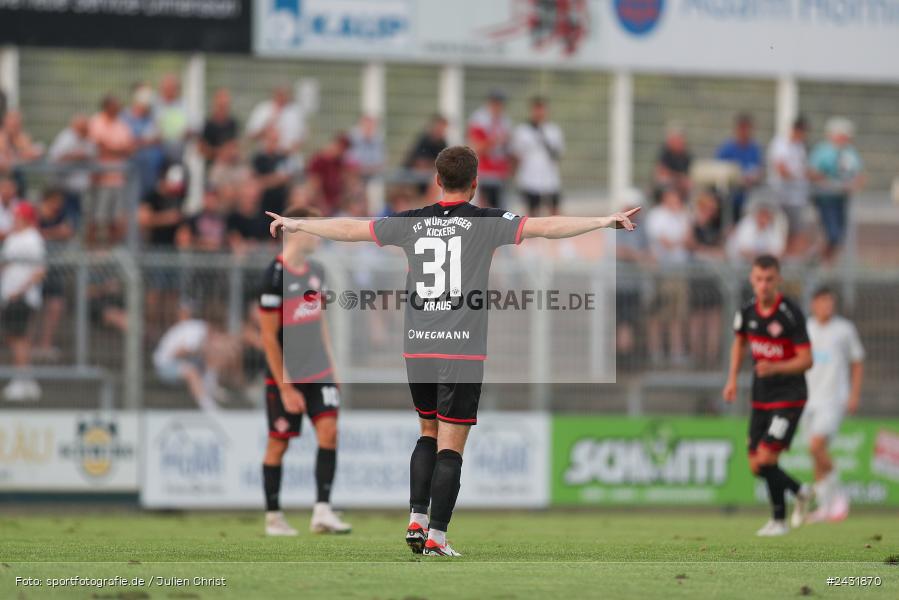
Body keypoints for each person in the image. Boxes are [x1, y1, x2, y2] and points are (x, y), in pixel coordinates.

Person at [266, 145, 639, 557]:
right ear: (476, 183)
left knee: (427, 431)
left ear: (437, 181)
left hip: (417, 350)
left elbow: (353, 229)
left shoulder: (411, 221)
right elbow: (545, 226)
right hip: (462, 351)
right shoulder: (486, 222)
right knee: (451, 444)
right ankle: (437, 537)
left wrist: (296, 222)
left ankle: (416, 517)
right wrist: (604, 221)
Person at [257, 205, 350, 536]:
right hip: (287, 375)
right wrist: (285, 386)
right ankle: (273, 517)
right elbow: (267, 335)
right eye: (315, 229)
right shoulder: (274, 276)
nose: (320, 236)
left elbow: (318, 320)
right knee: (278, 444)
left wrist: (332, 366)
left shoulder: (316, 272)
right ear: (296, 232)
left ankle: (322, 511)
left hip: (318, 370)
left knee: (330, 432)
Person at [723, 254, 815, 536]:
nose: (763, 285)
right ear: (752, 279)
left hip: (789, 396)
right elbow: (739, 343)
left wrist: (776, 366)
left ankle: (779, 521)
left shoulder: (790, 313)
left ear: (778, 280)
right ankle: (800, 491)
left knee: (766, 459)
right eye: (759, 279)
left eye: (769, 280)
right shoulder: (747, 311)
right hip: (761, 395)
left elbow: (806, 360)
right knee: (755, 465)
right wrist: (732, 380)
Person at [803, 286, 865, 523]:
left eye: (830, 302)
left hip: (833, 399)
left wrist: (854, 395)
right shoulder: (806, 329)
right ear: (814, 304)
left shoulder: (844, 330)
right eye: (822, 302)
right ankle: (825, 507)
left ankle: (839, 494)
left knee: (816, 446)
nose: (827, 306)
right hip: (809, 400)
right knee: (816, 455)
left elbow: (857, 361)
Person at [1, 202, 46, 401]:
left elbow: (39, 271)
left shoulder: (32, 239)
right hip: (9, 296)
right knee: (14, 338)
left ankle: (21, 381)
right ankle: (26, 380)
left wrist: (20, 291)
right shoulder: (13, 237)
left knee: (19, 338)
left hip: (22, 297)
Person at [152, 306, 235, 412]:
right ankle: (209, 408)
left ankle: (211, 387)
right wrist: (204, 350)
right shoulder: (196, 332)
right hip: (163, 365)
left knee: (213, 356)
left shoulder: (201, 330)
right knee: (191, 372)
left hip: (180, 362)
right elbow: (177, 352)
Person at [809, 117, 864, 265]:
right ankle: (817, 259)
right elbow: (812, 172)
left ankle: (825, 262)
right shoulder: (822, 151)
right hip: (826, 199)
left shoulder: (850, 152)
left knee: (839, 236)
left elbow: (859, 175)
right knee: (831, 233)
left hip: (842, 199)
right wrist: (828, 182)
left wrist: (852, 185)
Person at [646, 186, 691, 366]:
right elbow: (665, 242)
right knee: (659, 313)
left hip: (680, 271)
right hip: (662, 272)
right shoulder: (657, 216)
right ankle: (656, 351)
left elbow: (688, 239)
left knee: (677, 314)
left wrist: (679, 241)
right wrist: (679, 242)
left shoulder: (683, 215)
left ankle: (676, 351)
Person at [34, 188, 76, 362]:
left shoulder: (61, 215)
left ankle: (46, 344)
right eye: (54, 201)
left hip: (55, 267)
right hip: (35, 267)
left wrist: (51, 233)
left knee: (56, 305)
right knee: (34, 306)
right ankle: (31, 344)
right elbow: (32, 233)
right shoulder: (36, 215)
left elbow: (68, 232)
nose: (57, 205)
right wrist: (54, 233)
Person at [88, 94, 135, 245]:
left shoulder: (122, 125)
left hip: (118, 180)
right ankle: (92, 256)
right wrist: (119, 151)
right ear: (107, 107)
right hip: (100, 180)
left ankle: (110, 254)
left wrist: (111, 149)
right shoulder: (96, 122)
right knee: (96, 219)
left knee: (115, 221)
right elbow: (99, 148)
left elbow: (130, 149)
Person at [510, 96, 565, 216]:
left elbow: (558, 153)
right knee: (532, 212)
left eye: (542, 109)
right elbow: (516, 154)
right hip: (529, 178)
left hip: (550, 179)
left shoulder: (553, 130)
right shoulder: (522, 130)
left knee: (555, 210)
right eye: (537, 109)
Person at [768, 116, 811, 250]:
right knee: (780, 229)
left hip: (796, 198)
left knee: (796, 231)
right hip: (781, 195)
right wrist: (800, 176)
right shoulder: (780, 144)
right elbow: (781, 169)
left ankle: (791, 261)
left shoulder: (800, 147)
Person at [47, 114, 97, 225]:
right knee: (64, 218)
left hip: (80, 190)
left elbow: (93, 154)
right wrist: (73, 156)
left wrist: (83, 155)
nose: (85, 129)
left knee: (78, 217)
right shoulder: (66, 137)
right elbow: (54, 158)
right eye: (82, 127)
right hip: (64, 188)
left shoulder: (88, 138)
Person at [467, 90, 512, 209]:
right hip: (484, 172)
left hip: (500, 172)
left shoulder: (505, 120)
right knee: (482, 207)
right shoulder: (480, 120)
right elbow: (476, 147)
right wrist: (495, 141)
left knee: (498, 208)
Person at [716, 113, 763, 222]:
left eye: (748, 129)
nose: (745, 132)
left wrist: (755, 177)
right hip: (729, 198)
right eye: (742, 128)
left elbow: (759, 170)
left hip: (749, 197)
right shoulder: (726, 149)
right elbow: (718, 171)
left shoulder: (754, 149)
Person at [246, 86, 305, 155]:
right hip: (264, 156)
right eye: (280, 94)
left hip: (287, 156)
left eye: (284, 94)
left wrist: (288, 152)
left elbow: (301, 138)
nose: (282, 98)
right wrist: (267, 127)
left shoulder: (295, 113)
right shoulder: (263, 110)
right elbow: (251, 135)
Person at [305, 133, 351, 216]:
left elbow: (344, 181)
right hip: (320, 207)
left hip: (334, 206)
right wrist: (323, 206)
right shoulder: (318, 160)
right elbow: (314, 186)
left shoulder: (339, 162)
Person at [252, 128, 295, 216]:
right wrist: (276, 179)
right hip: (263, 202)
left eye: (276, 140)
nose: (273, 143)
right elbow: (257, 181)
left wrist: (270, 179)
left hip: (281, 201)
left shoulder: (282, 157)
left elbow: (288, 178)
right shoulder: (259, 159)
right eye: (271, 140)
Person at [155, 73, 191, 161]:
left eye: (171, 88)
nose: (168, 91)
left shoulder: (185, 107)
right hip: (157, 147)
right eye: (166, 88)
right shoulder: (154, 106)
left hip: (179, 146)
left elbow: (194, 127)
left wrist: (185, 133)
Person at [653, 123, 692, 198]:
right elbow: (661, 173)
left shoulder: (687, 155)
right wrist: (678, 178)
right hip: (669, 184)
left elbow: (688, 175)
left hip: (681, 185)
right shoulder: (664, 153)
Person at [200, 88, 238, 163]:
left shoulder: (233, 123)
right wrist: (218, 153)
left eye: (225, 105)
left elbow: (235, 144)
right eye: (221, 105)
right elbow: (202, 148)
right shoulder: (208, 124)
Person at [346, 115, 385, 181]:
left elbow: (381, 163)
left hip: (373, 176)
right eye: (367, 125)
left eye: (372, 126)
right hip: (355, 176)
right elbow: (349, 162)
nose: (369, 128)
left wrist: (368, 169)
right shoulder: (352, 139)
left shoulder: (378, 140)